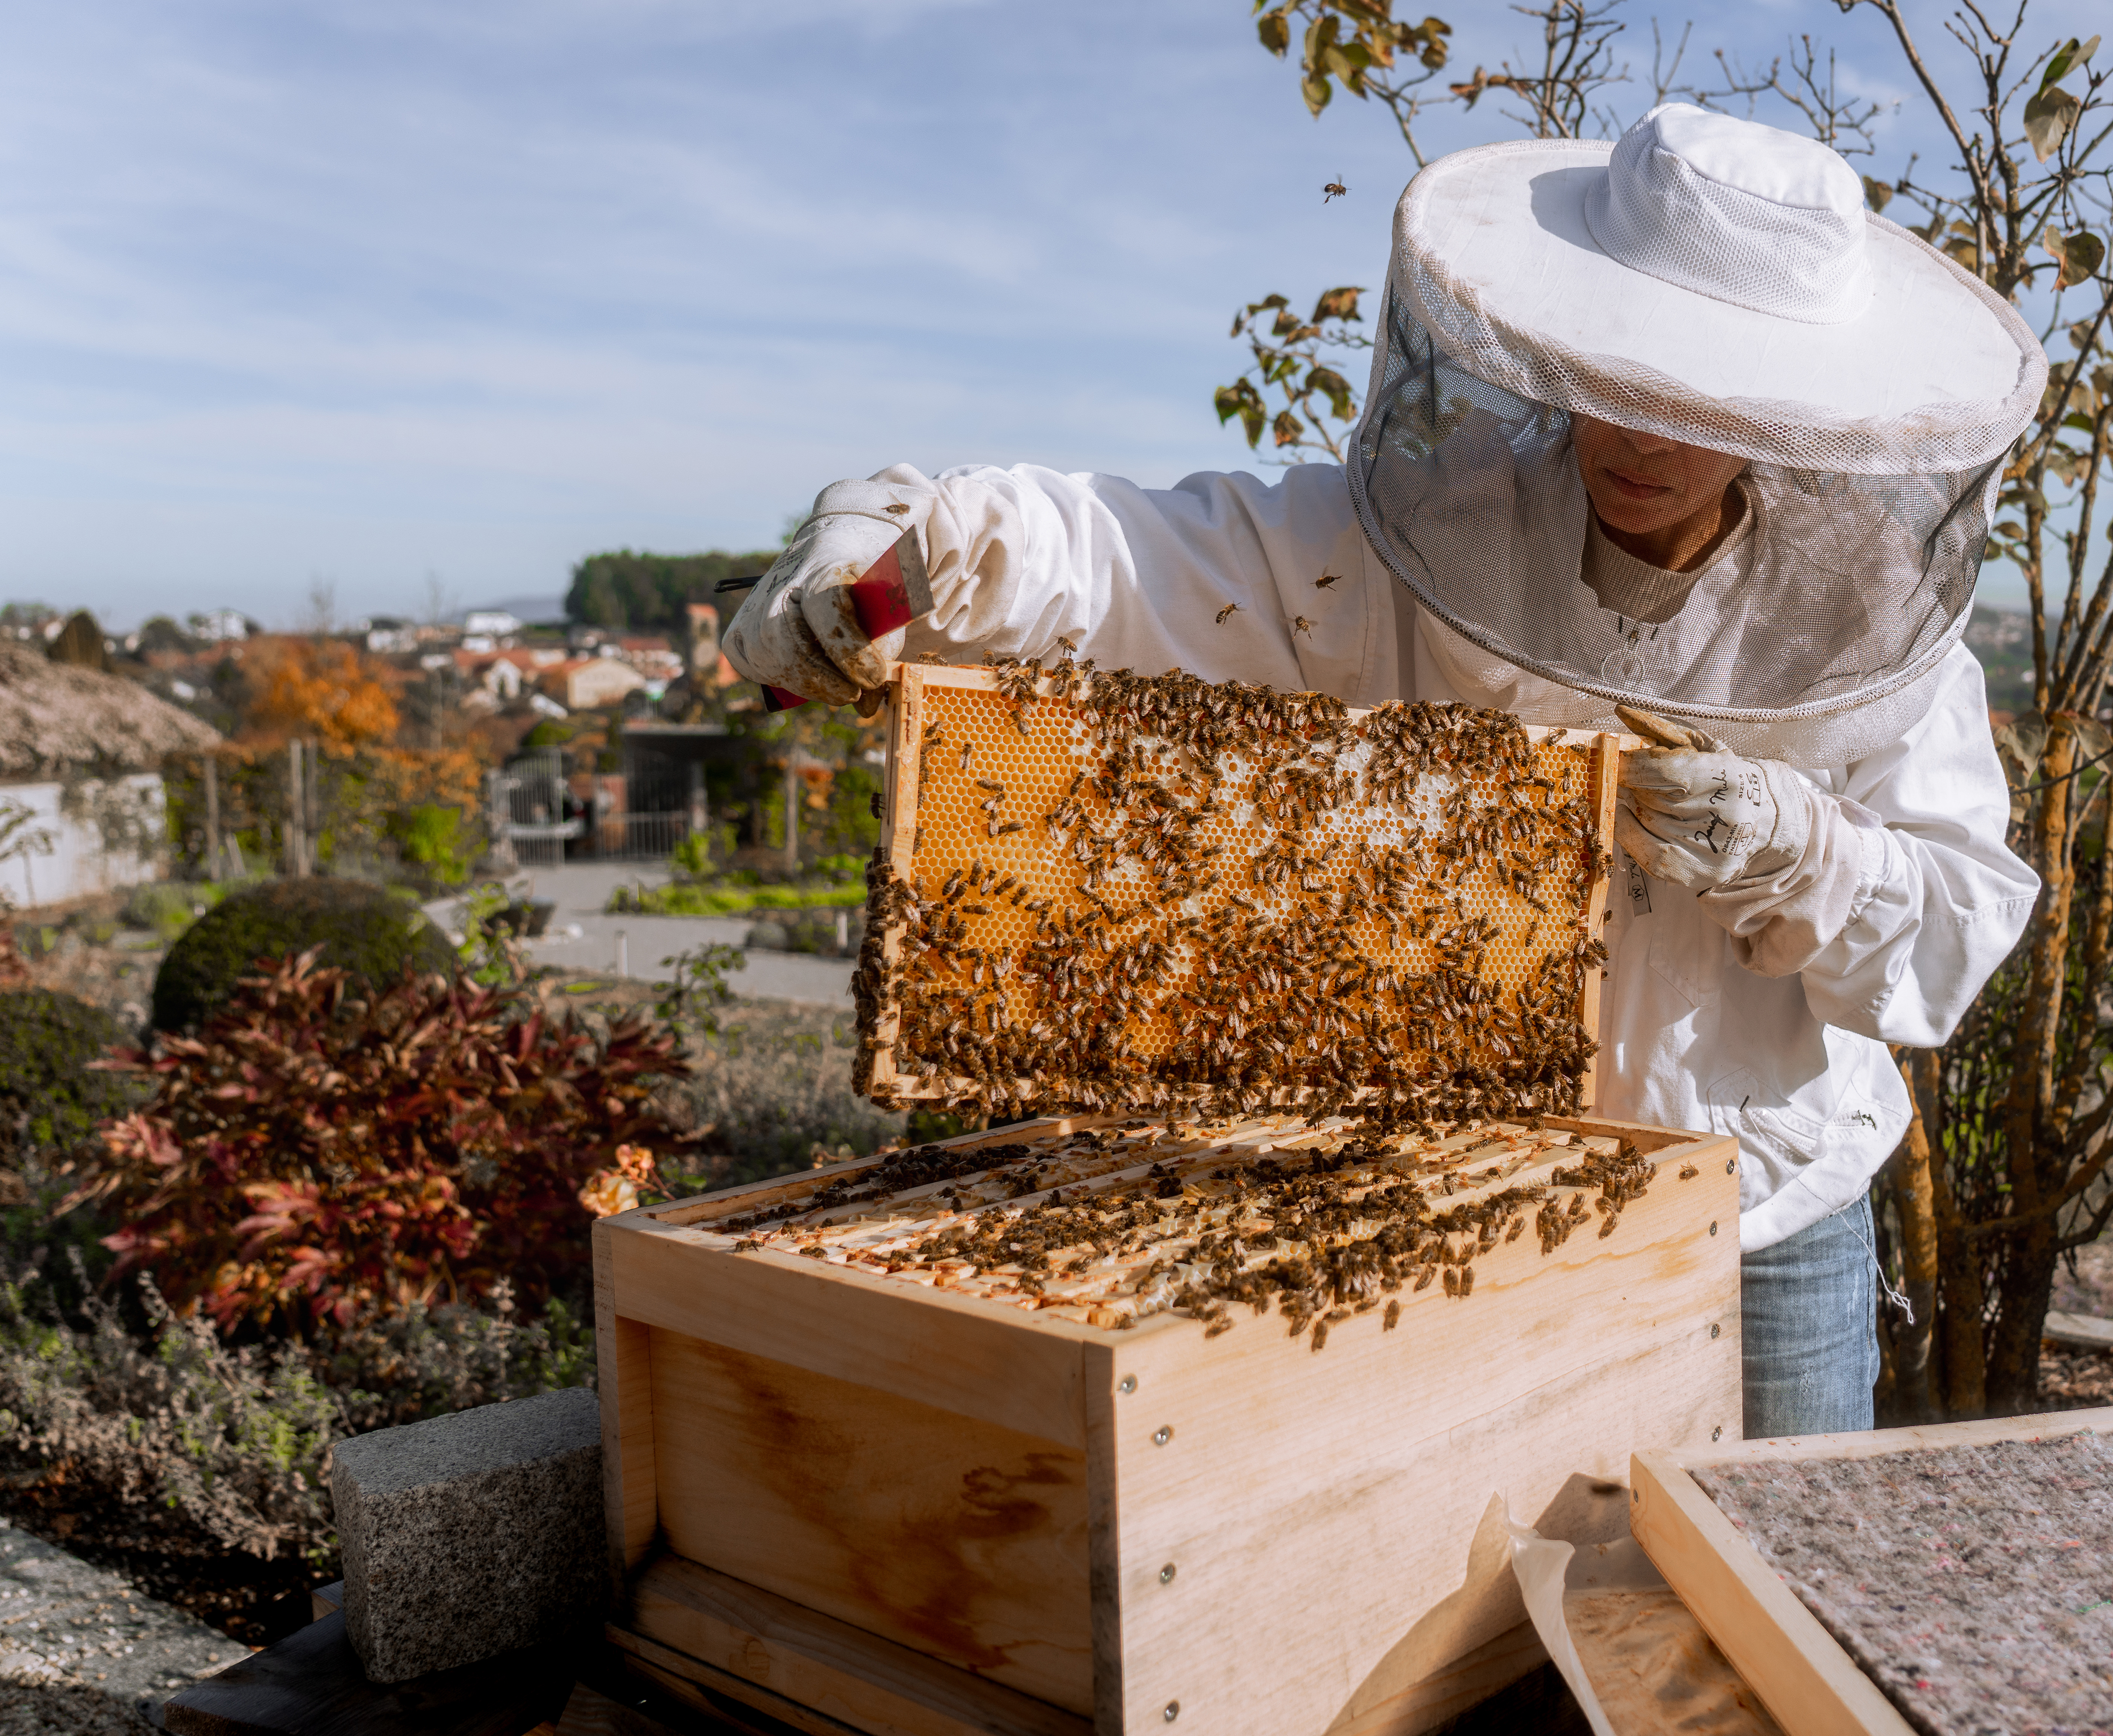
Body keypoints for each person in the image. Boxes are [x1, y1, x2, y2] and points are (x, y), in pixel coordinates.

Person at [723, 105, 2044, 1437]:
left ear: (1787, 416)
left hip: (1766, 1210)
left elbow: (1952, 939)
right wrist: (920, 539)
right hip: (1454, 1202)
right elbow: (1151, 560)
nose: (1641, 431)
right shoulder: (1432, 526)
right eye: (1619, 371)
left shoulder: (1869, 625)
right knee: (1491, 1613)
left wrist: (1793, 849)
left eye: (1696, 399)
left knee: (1760, 1614)